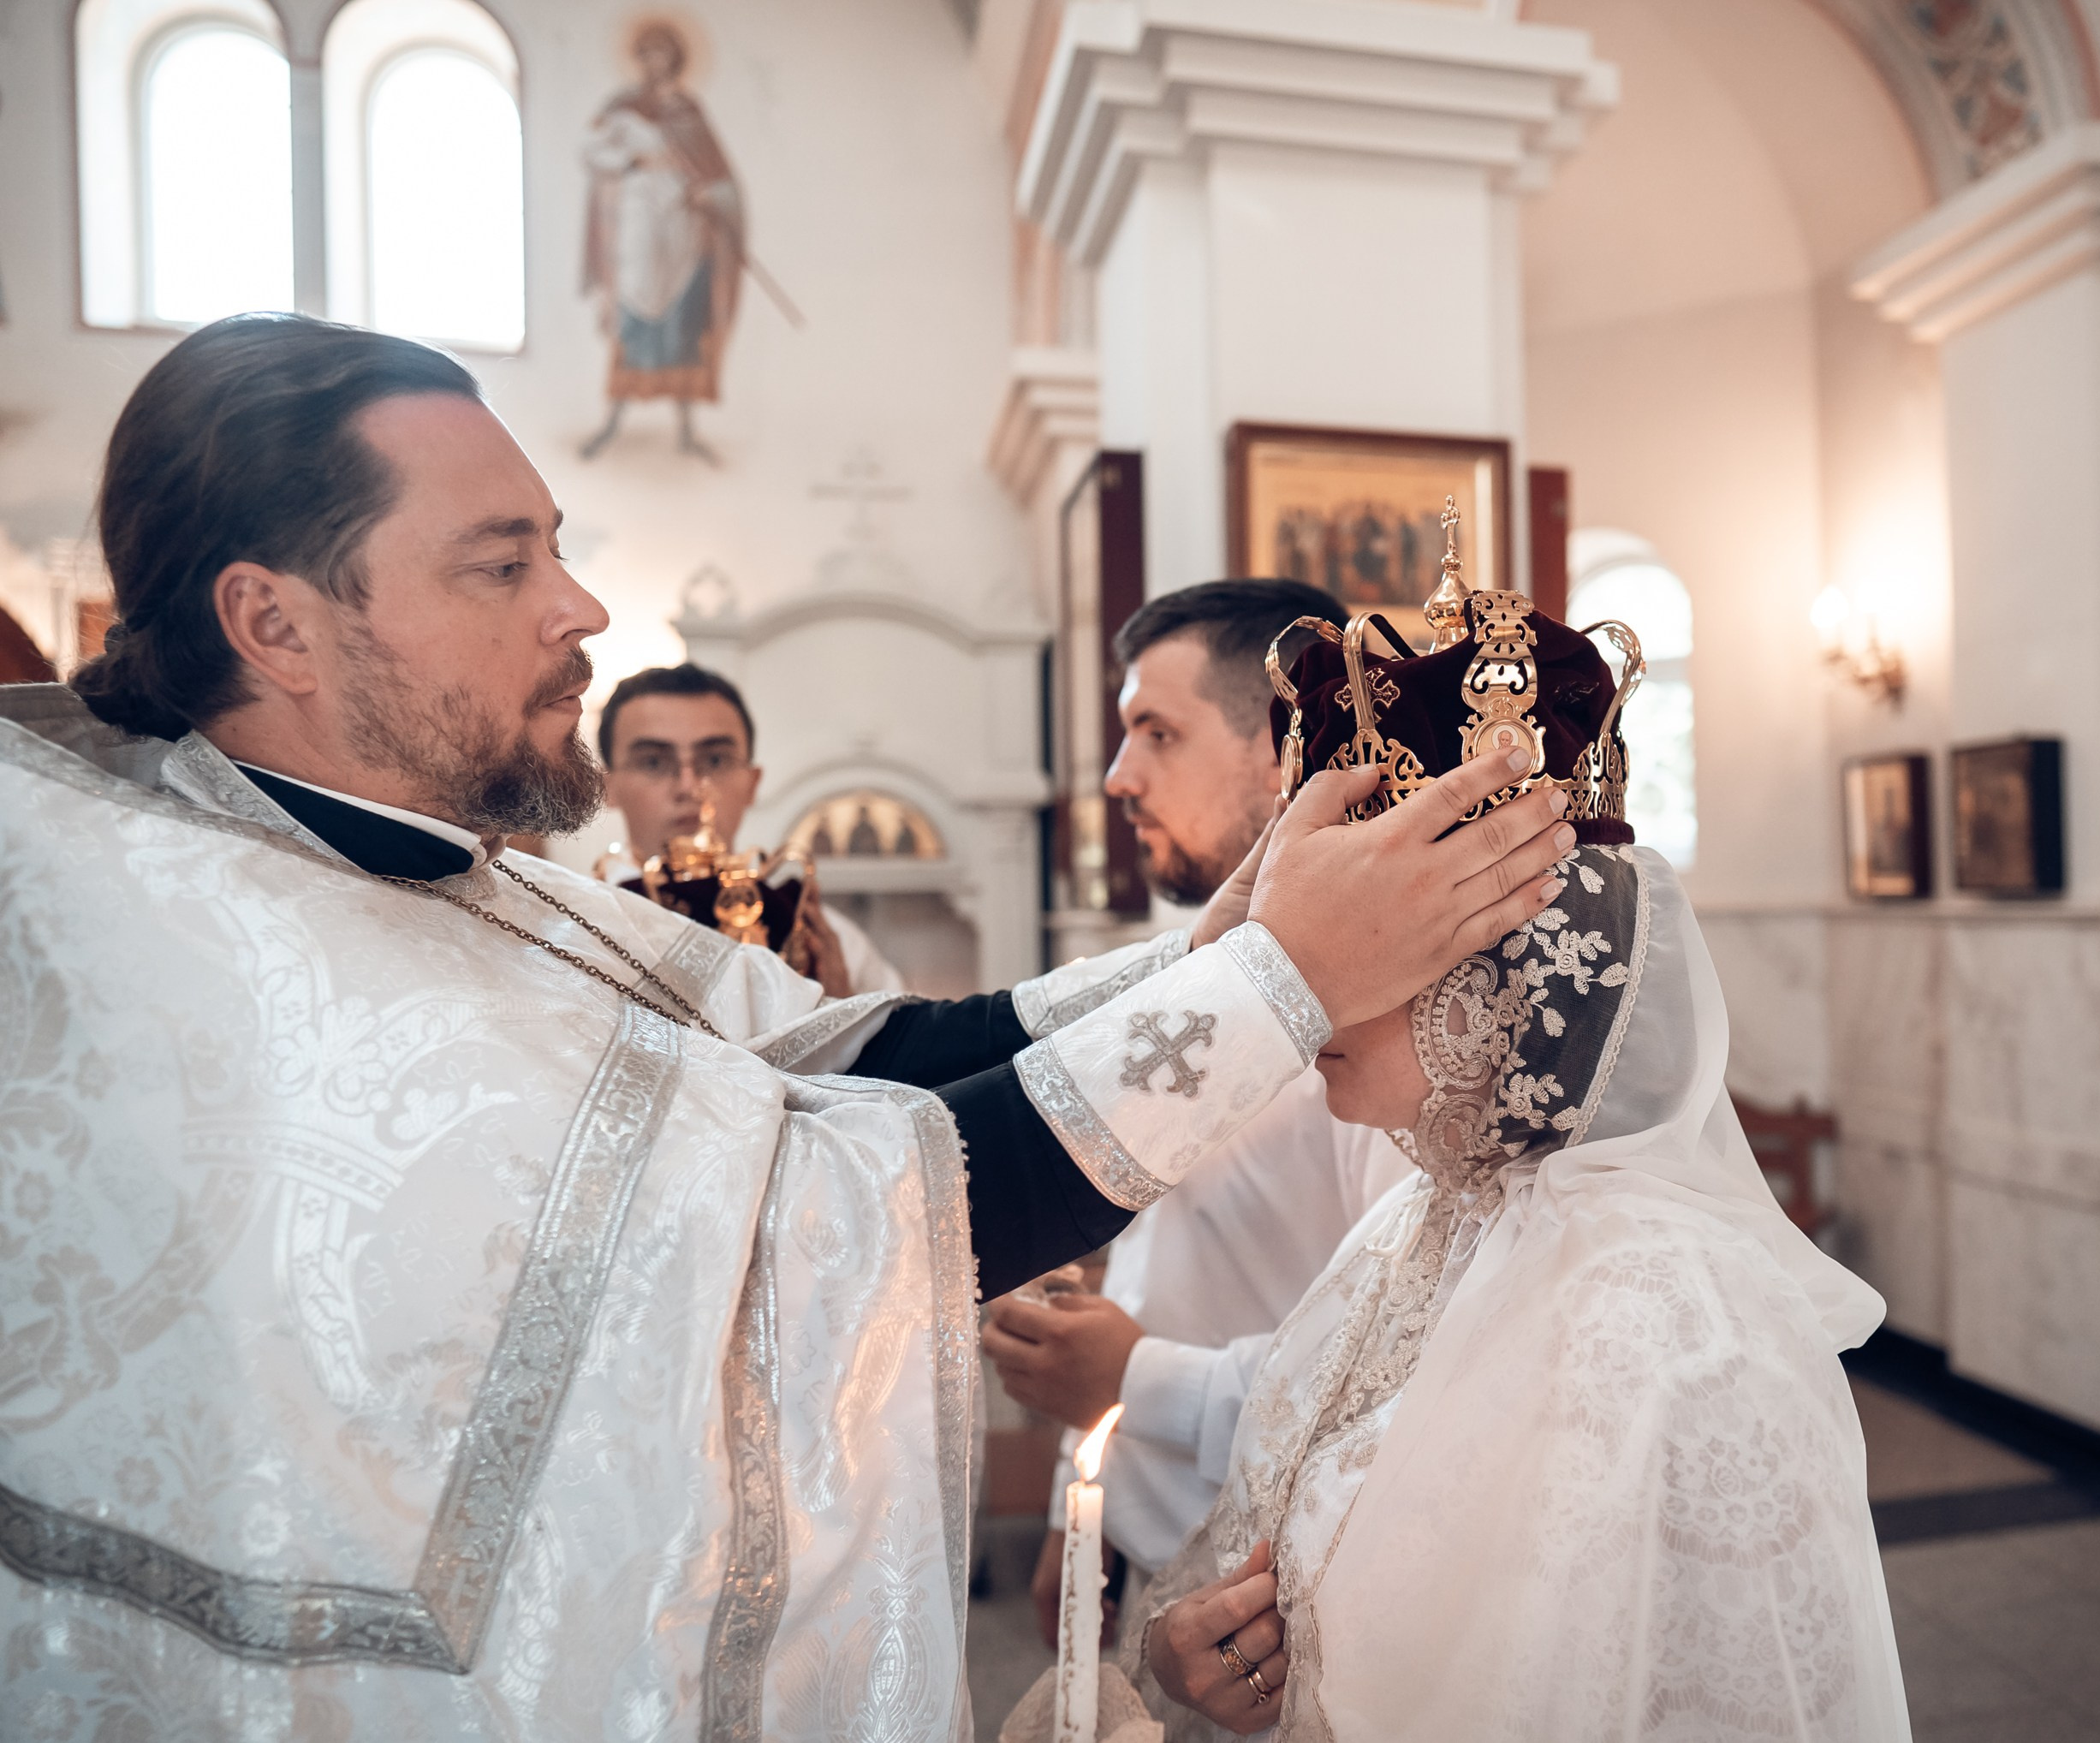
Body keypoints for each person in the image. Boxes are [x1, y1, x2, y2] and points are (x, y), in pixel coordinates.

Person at [0, 313, 1574, 1740]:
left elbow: (852, 1058)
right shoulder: (251, 961)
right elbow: (815, 1226)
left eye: (556, 545)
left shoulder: (406, 868)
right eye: (501, 564)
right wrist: (1281, 980)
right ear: (273, 623)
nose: (582, 604)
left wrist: (1228, 945)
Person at [1130, 586, 1909, 1740]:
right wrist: (1207, 1653)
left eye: (1359, 934)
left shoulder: (1683, 1330)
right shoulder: (1418, 1225)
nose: (1299, 981)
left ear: (1492, 965)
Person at [982, 582, 1409, 1639]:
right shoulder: (1209, 975)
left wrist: (1133, 1377)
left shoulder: (1393, 1015)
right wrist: (1082, 1505)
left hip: (1289, 1595)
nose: (1119, 778)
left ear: (1286, 745)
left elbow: (1406, 1359)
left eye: (1155, 732)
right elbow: (1152, 1248)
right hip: (1151, 1522)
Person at [597, 659, 904, 997]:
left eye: (714, 760)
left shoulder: (828, 940)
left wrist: (845, 1017)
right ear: (607, 787)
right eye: (654, 762)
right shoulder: (578, 925)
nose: (689, 786)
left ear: (752, 783)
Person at [580, 21, 742, 461]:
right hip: (637, 227)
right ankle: (613, 419)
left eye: (663, 54)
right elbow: (593, 152)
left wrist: (708, 193)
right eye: (648, 54)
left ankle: (687, 430)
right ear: (638, 60)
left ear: (676, 59)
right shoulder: (622, 107)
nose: (656, 63)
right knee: (633, 324)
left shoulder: (688, 110)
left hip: (683, 233)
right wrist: (633, 160)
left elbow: (718, 175)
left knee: (682, 327)